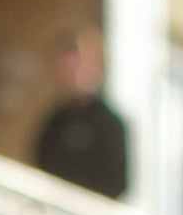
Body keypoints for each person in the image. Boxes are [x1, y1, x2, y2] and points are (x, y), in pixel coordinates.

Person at [29, 23, 130, 201]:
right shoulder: (54, 121)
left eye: (75, 67)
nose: (70, 76)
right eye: (65, 69)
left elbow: (117, 183)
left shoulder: (108, 123)